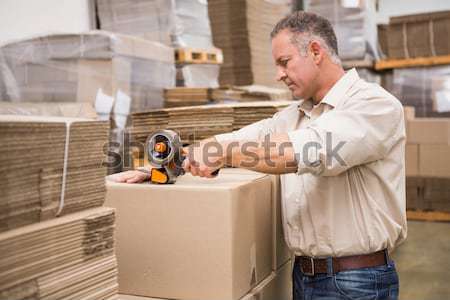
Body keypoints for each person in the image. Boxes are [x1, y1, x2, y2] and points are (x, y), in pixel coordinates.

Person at [116, 11, 406, 300]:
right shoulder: (295, 115)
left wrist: (223, 155)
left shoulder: (374, 105)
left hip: (356, 282)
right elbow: (237, 139)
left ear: (316, 51)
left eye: (284, 62)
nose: (279, 75)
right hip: (305, 276)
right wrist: (170, 162)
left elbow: (305, 151)